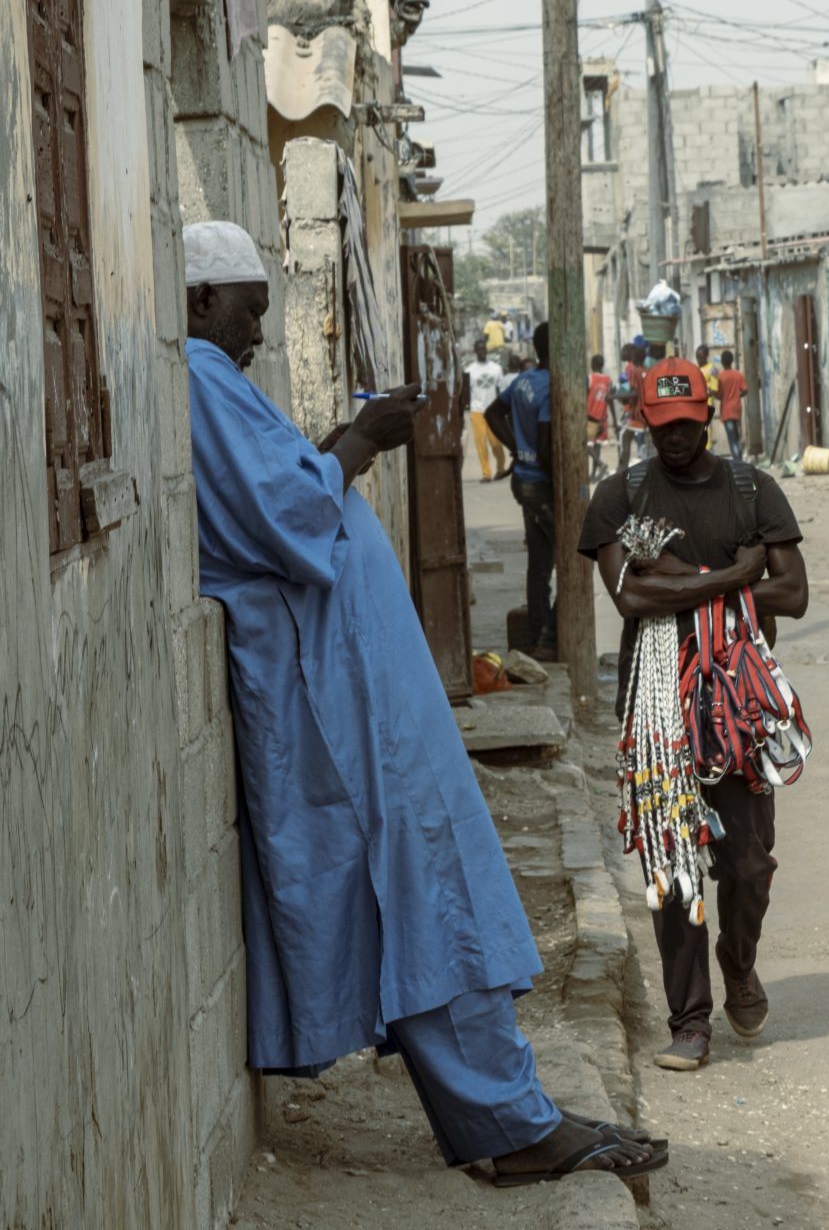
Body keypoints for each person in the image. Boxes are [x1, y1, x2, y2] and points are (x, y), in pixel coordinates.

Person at [181, 222, 663, 1184]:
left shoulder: (212, 378)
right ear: (201, 302)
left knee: (432, 882)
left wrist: (341, 449)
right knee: (427, 884)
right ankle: (511, 1122)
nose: (256, 335)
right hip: (334, 693)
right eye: (248, 312)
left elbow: (273, 491)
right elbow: (284, 516)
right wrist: (361, 440)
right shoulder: (195, 372)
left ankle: (510, 1110)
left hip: (350, 682)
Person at [578, 355, 809, 1074]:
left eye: (686, 423)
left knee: (749, 863)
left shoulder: (752, 491)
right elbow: (631, 599)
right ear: (642, 422)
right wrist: (740, 576)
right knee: (670, 863)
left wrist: (680, 580)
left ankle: (738, 961)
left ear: (707, 416)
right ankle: (690, 1020)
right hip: (655, 709)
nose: (675, 437)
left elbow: (794, 593)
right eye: (661, 425)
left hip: (739, 706)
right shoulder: (620, 497)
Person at [491, 321, 557, 662]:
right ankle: (550, 637)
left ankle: (538, 635)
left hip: (523, 481)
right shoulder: (549, 386)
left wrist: (517, 448)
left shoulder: (523, 381)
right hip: (541, 485)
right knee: (577, 556)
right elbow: (547, 445)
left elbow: (492, 413)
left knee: (540, 562)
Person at [465, 337, 508, 484]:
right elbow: (466, 392)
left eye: (484, 349)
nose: (482, 352)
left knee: (496, 442)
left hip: (492, 410)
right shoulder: (469, 370)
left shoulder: (496, 369)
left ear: (486, 350)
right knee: (480, 443)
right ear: (475, 351)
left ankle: (501, 469)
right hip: (476, 411)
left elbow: (501, 389)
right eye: (479, 349)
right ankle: (486, 473)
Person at [617, 342, 650, 473]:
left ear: (634, 359)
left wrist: (621, 397)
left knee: (625, 437)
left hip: (636, 413)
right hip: (647, 412)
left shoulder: (634, 372)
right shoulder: (647, 372)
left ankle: (622, 469)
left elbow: (633, 391)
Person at [715, 349, 747, 463]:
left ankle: (738, 461)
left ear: (722, 362)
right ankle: (740, 459)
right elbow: (745, 390)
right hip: (737, 409)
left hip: (726, 411)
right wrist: (737, 395)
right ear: (732, 361)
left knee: (732, 438)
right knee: (737, 437)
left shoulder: (720, 377)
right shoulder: (738, 375)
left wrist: (715, 395)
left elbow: (719, 394)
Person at [586, 352, 615, 483]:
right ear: (602, 365)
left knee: (584, 444)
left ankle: (601, 464)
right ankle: (593, 474)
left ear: (592, 365)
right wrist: (614, 418)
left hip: (590, 416)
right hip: (603, 417)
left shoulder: (590, 378)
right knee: (596, 446)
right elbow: (610, 400)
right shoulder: (608, 380)